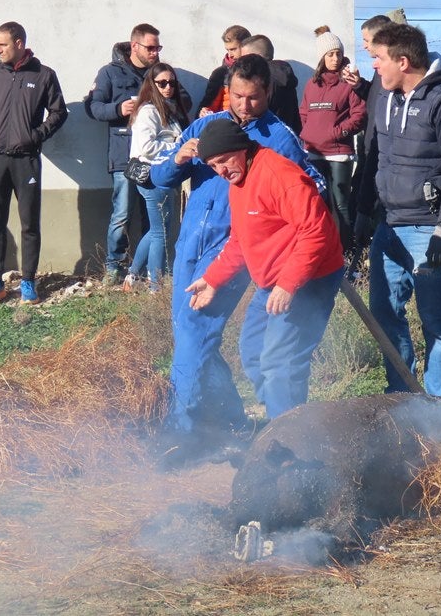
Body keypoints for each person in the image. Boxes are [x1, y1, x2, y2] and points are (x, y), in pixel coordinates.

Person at [150, 54, 324, 457]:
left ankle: (181, 430)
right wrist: (178, 160)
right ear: (228, 88)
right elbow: (158, 179)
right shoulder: (205, 124)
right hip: (190, 240)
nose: (245, 106)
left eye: (255, 97)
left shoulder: (279, 138)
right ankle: (233, 422)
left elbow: (308, 193)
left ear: (268, 93)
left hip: (234, 249)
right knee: (188, 334)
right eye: (238, 95)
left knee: (195, 328)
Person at [186, 119, 343, 418]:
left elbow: (316, 231)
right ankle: (283, 419)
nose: (220, 170)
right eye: (212, 165)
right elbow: (241, 239)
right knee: (254, 351)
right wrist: (213, 278)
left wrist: (288, 284)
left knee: (279, 362)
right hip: (274, 280)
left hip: (308, 279)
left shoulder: (279, 175)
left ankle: (291, 441)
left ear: (241, 149)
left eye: (223, 161)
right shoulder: (239, 180)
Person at [353, 24, 441, 399]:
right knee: (385, 314)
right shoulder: (385, 97)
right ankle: (403, 397)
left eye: (377, 57)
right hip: (389, 226)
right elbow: (373, 157)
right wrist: (362, 211)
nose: (372, 65)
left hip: (430, 229)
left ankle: (436, 409)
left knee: (435, 321)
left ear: (402, 61)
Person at [84, 23, 191, 286]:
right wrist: (118, 109)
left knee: (152, 221)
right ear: (135, 46)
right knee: (122, 215)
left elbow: (183, 100)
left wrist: (163, 95)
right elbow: (93, 107)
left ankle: (141, 272)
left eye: (158, 48)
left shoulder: (161, 75)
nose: (155, 52)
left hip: (159, 165)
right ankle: (115, 267)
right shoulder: (110, 72)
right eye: (150, 47)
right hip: (125, 156)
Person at [0, 21, 68, 305]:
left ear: (18, 44)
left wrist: (36, 135)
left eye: (3, 44)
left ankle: (28, 282)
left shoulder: (43, 75)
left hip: (26, 161)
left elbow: (58, 112)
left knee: (29, 224)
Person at [124, 63, 191, 293]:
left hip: (162, 176)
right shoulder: (148, 111)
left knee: (155, 230)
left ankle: (132, 276)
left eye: (172, 82)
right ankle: (155, 287)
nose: (168, 87)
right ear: (152, 84)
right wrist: (176, 145)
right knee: (161, 232)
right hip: (151, 177)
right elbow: (146, 146)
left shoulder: (167, 108)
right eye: (162, 83)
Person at [299, 25, 367, 249]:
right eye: (330, 54)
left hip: (339, 155)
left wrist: (338, 133)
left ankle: (344, 252)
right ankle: (322, 250)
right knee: (319, 202)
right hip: (314, 152)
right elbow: (304, 112)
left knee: (340, 205)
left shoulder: (348, 83)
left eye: (338, 53)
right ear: (321, 57)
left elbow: (359, 115)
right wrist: (308, 133)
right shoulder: (312, 84)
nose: (335, 58)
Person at [342, 14, 397, 226]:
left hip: (381, 149)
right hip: (370, 144)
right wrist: (360, 86)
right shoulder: (378, 70)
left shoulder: (390, 72)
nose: (364, 46)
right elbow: (376, 100)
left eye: (366, 40)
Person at [239, 34, 302, 134]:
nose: (242, 63)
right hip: (287, 137)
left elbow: (255, 115)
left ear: (258, 57)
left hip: (266, 139)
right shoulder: (284, 75)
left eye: (245, 58)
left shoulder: (264, 78)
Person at [196, 24, 251, 118]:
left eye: (233, 49)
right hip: (228, 125)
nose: (230, 55)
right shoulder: (220, 74)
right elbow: (209, 104)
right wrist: (204, 112)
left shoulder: (259, 71)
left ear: (246, 46)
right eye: (227, 50)